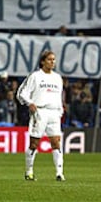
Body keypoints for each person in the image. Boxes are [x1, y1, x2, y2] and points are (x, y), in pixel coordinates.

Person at [16, 51, 65, 181]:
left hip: (54, 112)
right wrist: (30, 103)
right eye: (49, 59)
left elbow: (59, 96)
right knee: (34, 143)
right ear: (42, 61)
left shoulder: (58, 78)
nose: (52, 62)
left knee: (56, 142)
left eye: (54, 60)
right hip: (40, 111)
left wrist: (60, 110)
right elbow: (21, 93)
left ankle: (59, 173)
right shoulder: (35, 76)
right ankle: (29, 171)